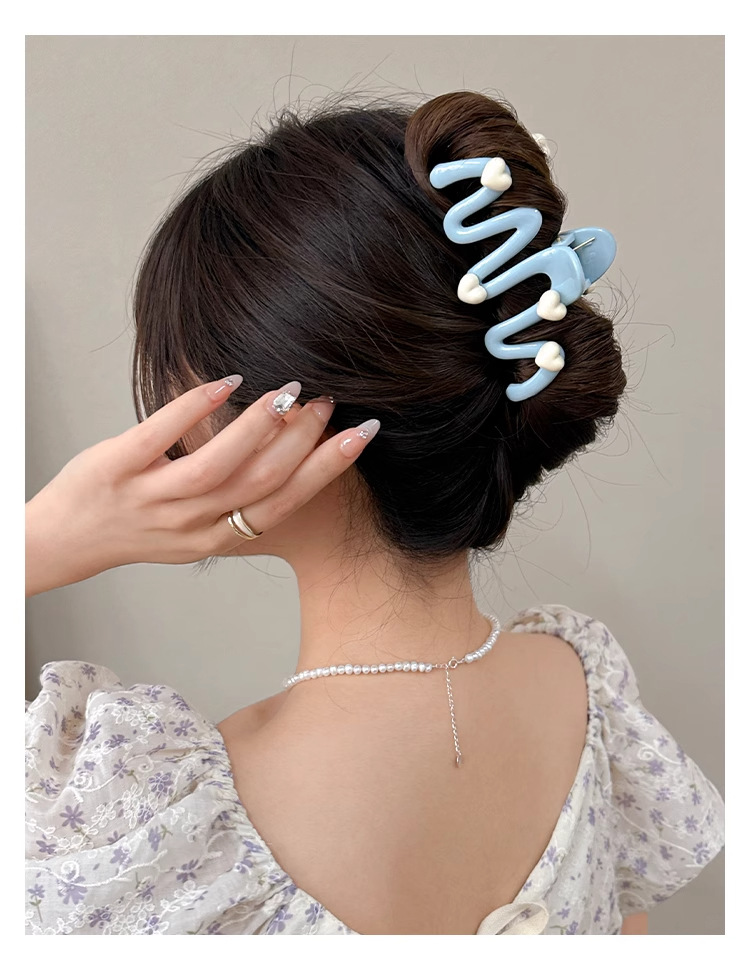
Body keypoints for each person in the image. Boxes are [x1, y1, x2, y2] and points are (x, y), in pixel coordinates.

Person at [25, 90, 724, 936]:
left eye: (182, 381)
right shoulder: (583, 688)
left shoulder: (135, 824)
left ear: (292, 419)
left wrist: (41, 541)